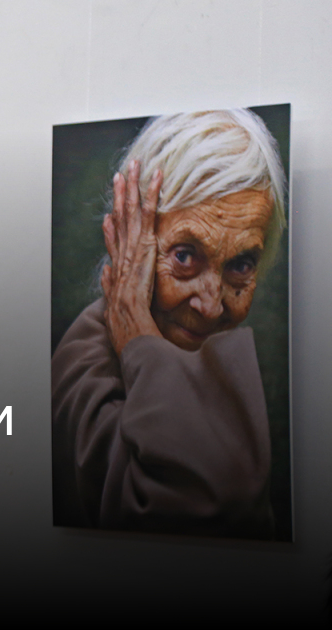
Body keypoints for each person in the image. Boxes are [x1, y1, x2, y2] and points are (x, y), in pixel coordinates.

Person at [52, 109, 286, 538]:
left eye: (240, 265)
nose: (210, 306)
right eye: (184, 256)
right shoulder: (84, 366)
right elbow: (191, 509)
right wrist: (139, 340)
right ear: (130, 237)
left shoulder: (231, 372)